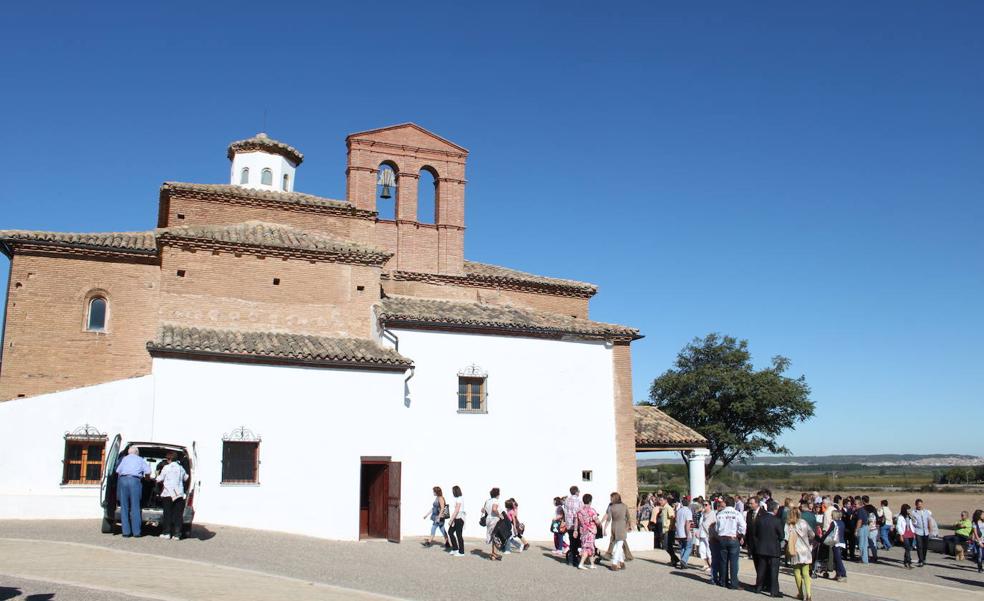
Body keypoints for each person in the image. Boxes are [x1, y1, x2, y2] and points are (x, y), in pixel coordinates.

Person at [115, 446, 151, 538]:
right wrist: (147, 480)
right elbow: (148, 471)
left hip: (123, 480)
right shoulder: (140, 459)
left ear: (129, 452)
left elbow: (118, 471)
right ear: (137, 452)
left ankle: (126, 532)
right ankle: (136, 532)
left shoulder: (124, 459)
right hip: (135, 481)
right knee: (135, 506)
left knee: (124, 506)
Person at [155, 451, 189, 540]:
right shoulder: (181, 468)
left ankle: (167, 533)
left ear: (169, 459)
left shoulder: (166, 467)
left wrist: (156, 477)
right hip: (179, 493)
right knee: (177, 514)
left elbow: (160, 478)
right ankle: (177, 534)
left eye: (167, 459)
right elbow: (186, 477)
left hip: (168, 493)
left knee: (167, 513)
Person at [753, 501, 784, 597]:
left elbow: (755, 533)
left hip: (762, 547)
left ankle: (759, 587)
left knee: (761, 569)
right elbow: (782, 535)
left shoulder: (760, 519)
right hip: (773, 548)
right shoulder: (777, 520)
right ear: (775, 509)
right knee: (774, 571)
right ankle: (773, 591)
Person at [715, 496, 747, 590]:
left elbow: (716, 528)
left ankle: (723, 581)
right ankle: (733, 583)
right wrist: (740, 534)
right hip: (733, 538)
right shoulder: (737, 513)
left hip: (722, 538)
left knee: (723, 561)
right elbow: (743, 526)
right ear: (734, 504)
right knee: (733, 562)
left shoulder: (720, 514)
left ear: (725, 503)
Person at [786, 506, 815, 601]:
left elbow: (787, 538)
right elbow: (812, 535)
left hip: (795, 550)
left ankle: (800, 593)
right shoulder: (804, 522)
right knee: (806, 573)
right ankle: (809, 594)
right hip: (805, 550)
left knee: (797, 572)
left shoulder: (790, 525)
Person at [575, 493, 602, 570]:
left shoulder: (579, 511)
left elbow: (576, 521)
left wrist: (575, 530)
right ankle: (581, 564)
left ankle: (592, 564)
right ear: (590, 501)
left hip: (583, 531)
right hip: (590, 531)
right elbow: (597, 521)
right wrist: (600, 525)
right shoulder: (592, 510)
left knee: (589, 547)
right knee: (588, 547)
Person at [605, 492, 630, 571]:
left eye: (611, 498)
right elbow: (628, 517)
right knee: (619, 546)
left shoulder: (611, 507)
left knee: (617, 545)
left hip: (614, 526)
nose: (610, 499)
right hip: (622, 527)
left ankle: (622, 562)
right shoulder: (625, 506)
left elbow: (608, 519)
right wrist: (628, 527)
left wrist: (604, 528)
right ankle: (614, 563)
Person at [563, 486, 583, 566]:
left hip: (568, 524)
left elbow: (566, 511)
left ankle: (571, 559)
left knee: (572, 541)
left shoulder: (566, 500)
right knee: (576, 541)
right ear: (576, 492)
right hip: (576, 524)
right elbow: (580, 513)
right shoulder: (579, 501)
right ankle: (574, 559)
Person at [910, 499, 932, 567]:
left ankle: (923, 559)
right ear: (916, 505)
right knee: (919, 546)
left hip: (926, 532)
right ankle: (921, 560)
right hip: (918, 531)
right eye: (918, 504)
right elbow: (913, 523)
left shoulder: (927, 512)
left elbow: (929, 521)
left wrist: (930, 529)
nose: (919, 506)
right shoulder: (913, 512)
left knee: (925, 547)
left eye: (920, 504)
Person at [483, 488, 502, 560]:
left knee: (493, 536)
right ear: (497, 494)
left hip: (488, 519)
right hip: (494, 519)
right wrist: (499, 515)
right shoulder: (496, 501)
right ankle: (494, 554)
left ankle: (493, 554)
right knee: (496, 536)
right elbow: (494, 509)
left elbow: (483, 509)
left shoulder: (487, 501)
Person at [675, 496, 694, 569]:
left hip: (679, 532)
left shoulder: (679, 511)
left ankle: (683, 562)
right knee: (689, 547)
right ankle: (684, 560)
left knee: (682, 547)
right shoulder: (688, 511)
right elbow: (687, 523)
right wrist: (688, 534)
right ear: (688, 503)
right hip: (685, 532)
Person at [447, 485, 465, 557]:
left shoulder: (459, 499)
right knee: (450, 532)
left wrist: (451, 520)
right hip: (456, 518)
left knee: (459, 535)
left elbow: (457, 510)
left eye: (453, 491)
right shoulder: (458, 498)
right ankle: (455, 549)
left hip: (460, 518)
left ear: (455, 491)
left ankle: (461, 552)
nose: (452, 492)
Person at [897, 504, 916, 569]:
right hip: (904, 534)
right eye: (907, 509)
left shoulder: (909, 516)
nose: (908, 510)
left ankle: (905, 562)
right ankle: (908, 562)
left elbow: (915, 522)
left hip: (911, 533)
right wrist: (901, 535)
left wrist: (912, 517)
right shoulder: (900, 517)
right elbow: (898, 526)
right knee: (907, 548)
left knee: (909, 549)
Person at [697, 500, 714, 573]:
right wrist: (698, 532)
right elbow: (701, 524)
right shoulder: (703, 513)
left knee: (708, 551)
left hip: (708, 534)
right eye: (703, 505)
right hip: (702, 534)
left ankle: (712, 566)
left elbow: (711, 524)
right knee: (702, 550)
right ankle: (706, 564)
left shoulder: (712, 513)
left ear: (710, 505)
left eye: (706, 504)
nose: (704, 506)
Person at [854, 498, 871, 564]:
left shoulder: (860, 510)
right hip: (866, 527)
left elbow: (859, 521)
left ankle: (864, 560)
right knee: (865, 544)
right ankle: (865, 559)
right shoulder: (864, 510)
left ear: (860, 504)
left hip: (862, 528)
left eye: (856, 504)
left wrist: (856, 530)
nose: (854, 505)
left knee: (861, 544)